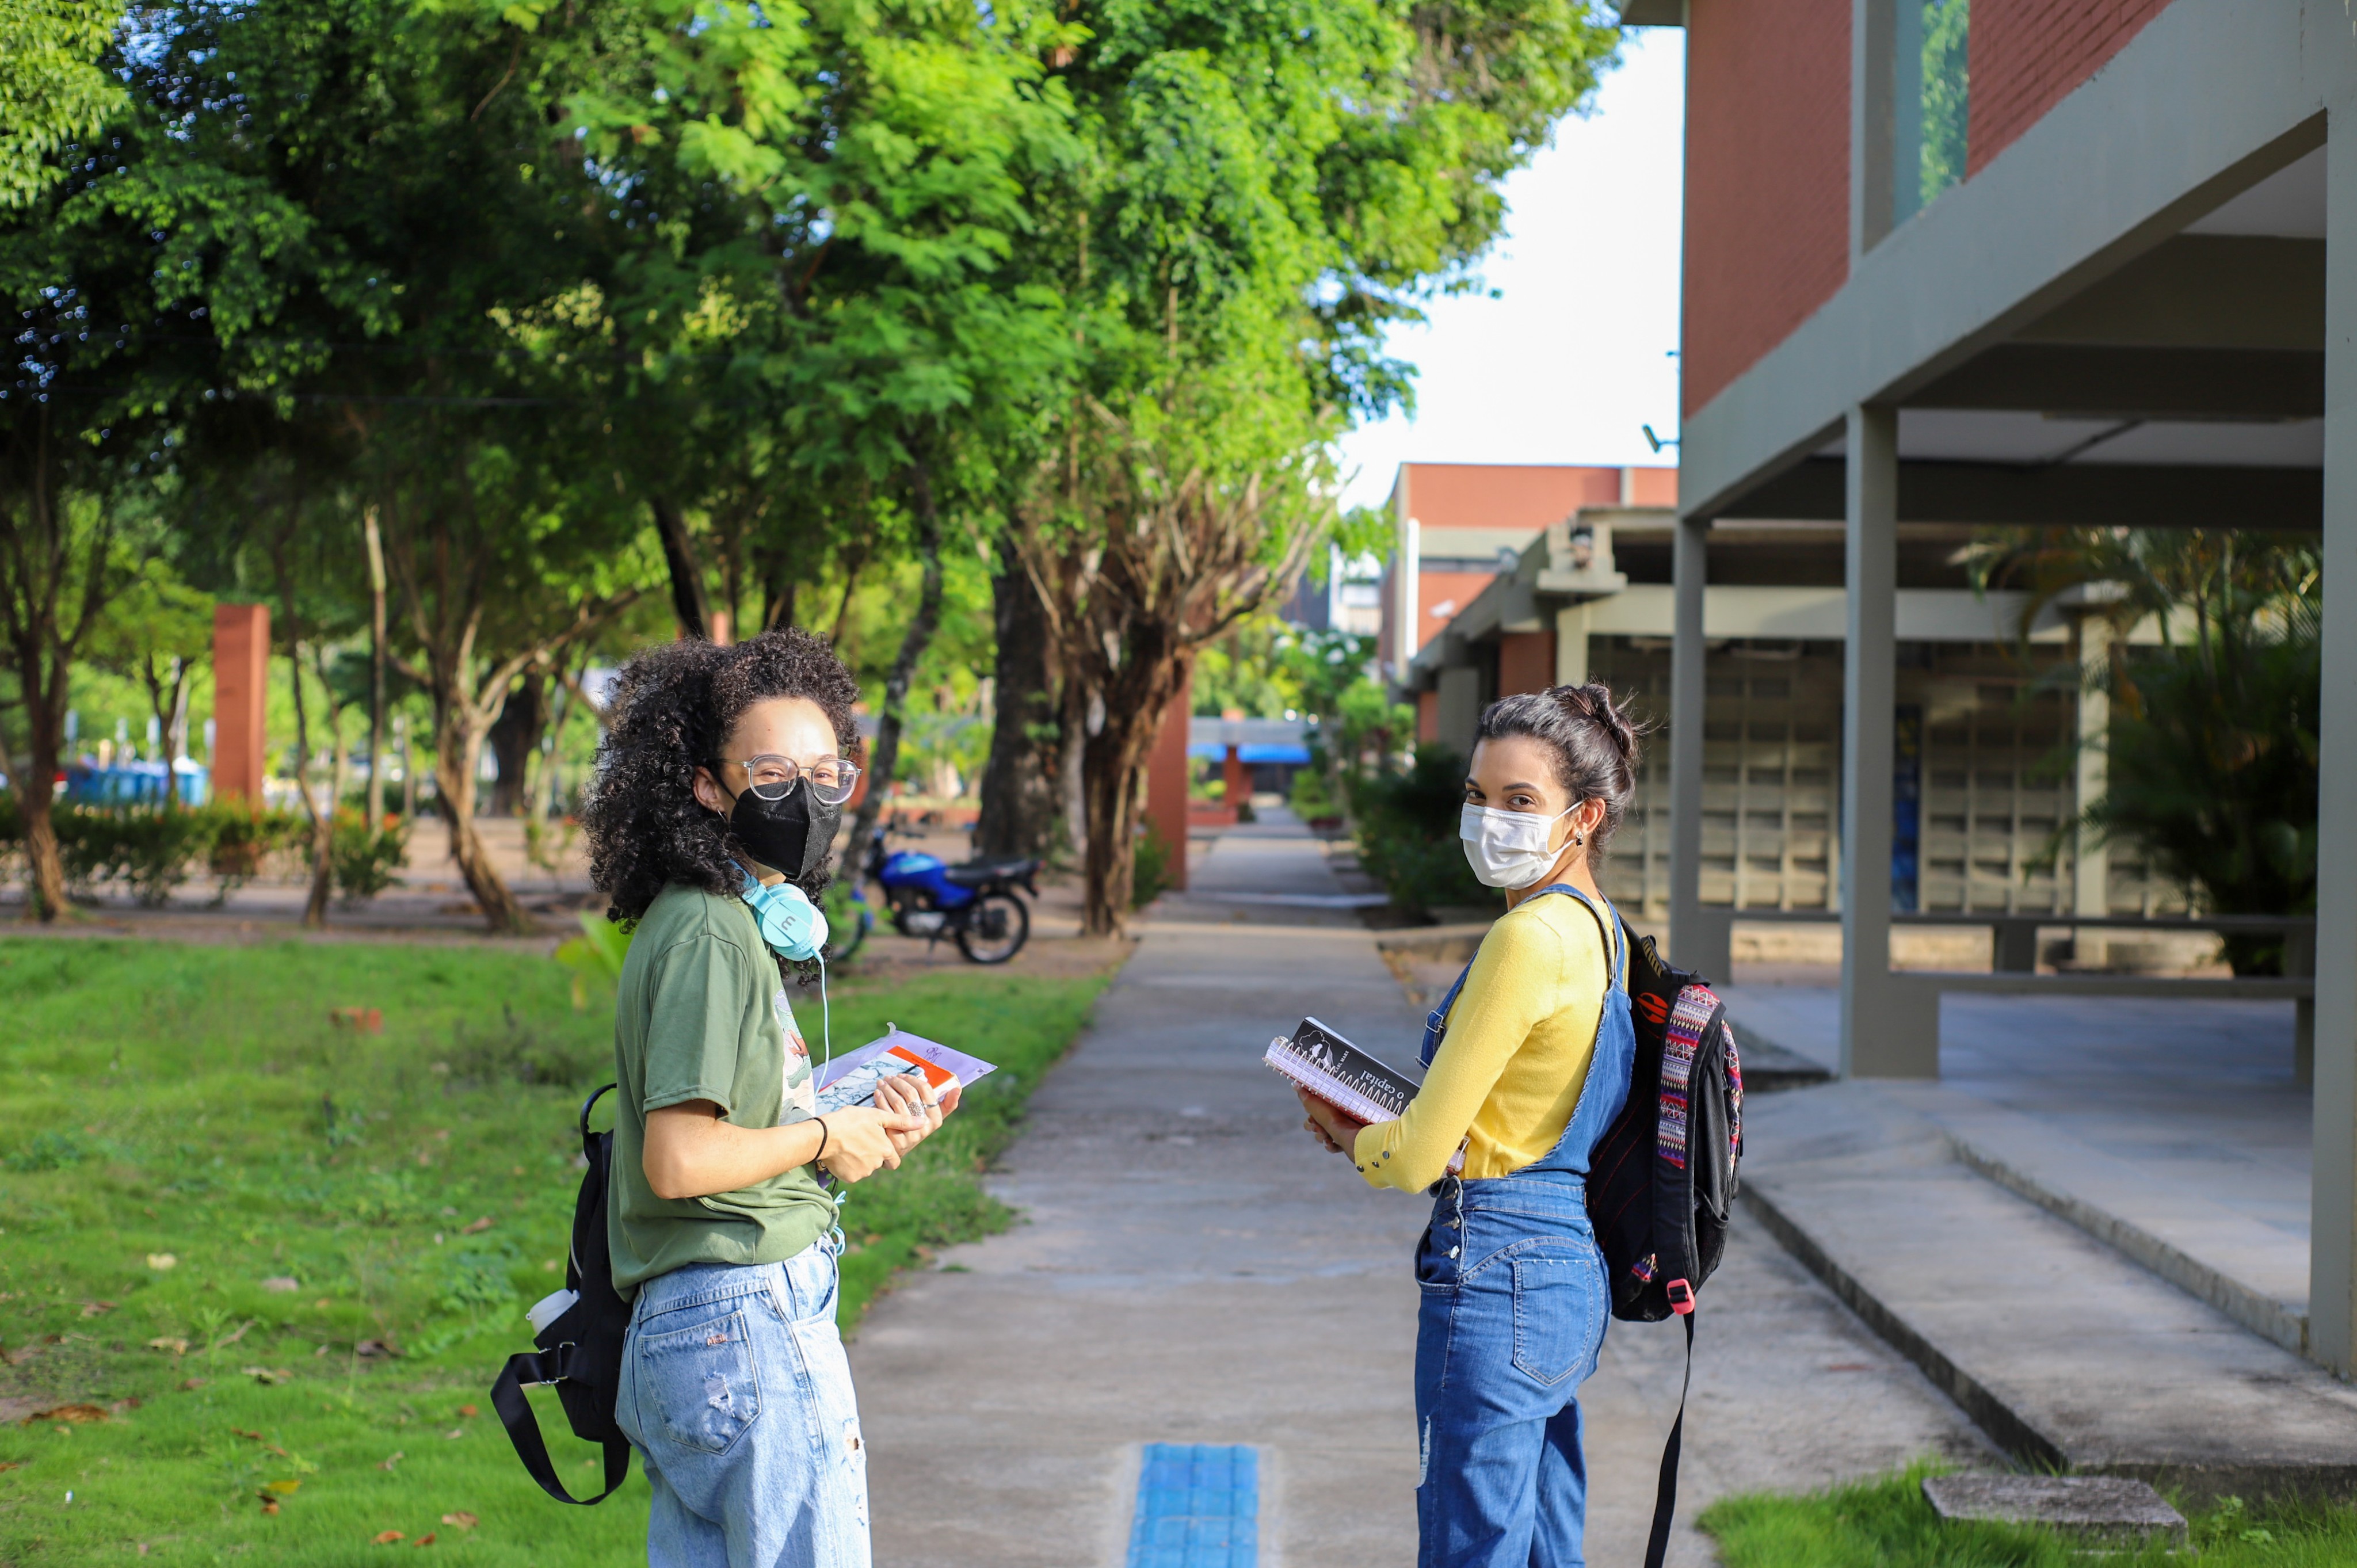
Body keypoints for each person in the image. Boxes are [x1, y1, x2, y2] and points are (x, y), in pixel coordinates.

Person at [579, 628, 949, 1568]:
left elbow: (730, 1120)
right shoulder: (711, 934)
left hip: (701, 1332)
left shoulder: (707, 918)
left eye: (830, 773)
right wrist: (828, 1134)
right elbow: (679, 1158)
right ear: (707, 784)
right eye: (776, 771)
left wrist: (856, 1113)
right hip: (746, 1320)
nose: (810, 797)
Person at [1296, 684, 1642, 1568]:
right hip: (1570, 1268)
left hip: (1495, 1264)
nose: (1490, 820)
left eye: (1521, 802)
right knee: (1542, 1545)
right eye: (1479, 796)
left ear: (1583, 816)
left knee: (1469, 1548)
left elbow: (1416, 1158)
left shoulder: (1525, 939)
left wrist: (1346, 1131)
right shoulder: (1605, 933)